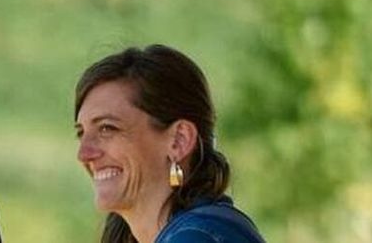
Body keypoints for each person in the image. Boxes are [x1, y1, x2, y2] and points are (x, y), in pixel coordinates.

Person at [74, 45, 266, 243]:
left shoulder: (196, 237)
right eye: (81, 133)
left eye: (107, 128)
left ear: (179, 141)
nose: (84, 154)